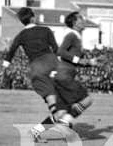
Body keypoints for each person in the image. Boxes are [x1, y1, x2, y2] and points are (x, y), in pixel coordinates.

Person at [31, 11, 96, 141]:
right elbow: (61, 52)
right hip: (64, 76)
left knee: (60, 113)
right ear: (74, 23)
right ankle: (65, 124)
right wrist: (82, 61)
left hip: (61, 77)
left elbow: (70, 59)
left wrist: (89, 63)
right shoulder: (72, 35)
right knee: (87, 100)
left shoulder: (76, 36)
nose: (83, 21)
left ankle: (36, 131)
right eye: (80, 19)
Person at [1, 7, 61, 135]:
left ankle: (37, 131)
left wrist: (4, 69)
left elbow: (11, 52)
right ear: (33, 17)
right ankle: (61, 128)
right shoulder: (46, 30)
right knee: (62, 107)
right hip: (52, 66)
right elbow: (56, 49)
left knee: (55, 106)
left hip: (36, 70)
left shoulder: (21, 35)